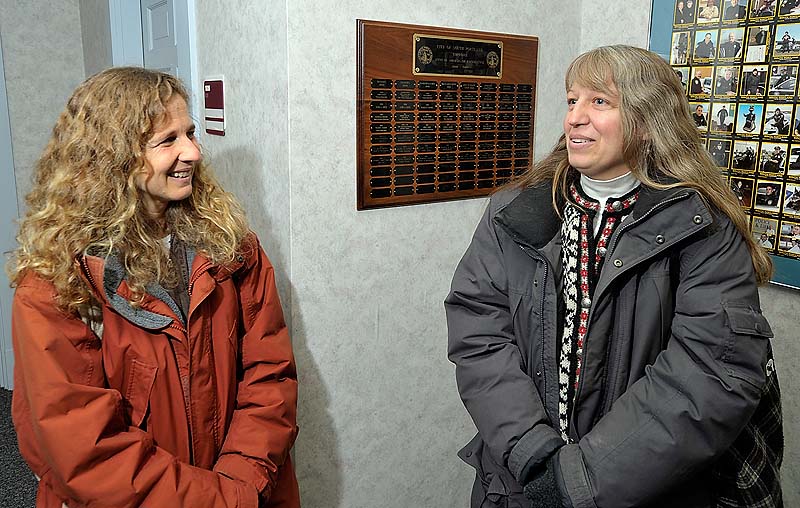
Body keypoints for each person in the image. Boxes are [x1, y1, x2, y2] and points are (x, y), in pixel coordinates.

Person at [446, 45, 782, 508]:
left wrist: (579, 481)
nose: (574, 118)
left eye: (599, 101)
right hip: (520, 484)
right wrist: (532, 454)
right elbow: (479, 332)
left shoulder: (702, 228)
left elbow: (710, 373)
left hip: (646, 492)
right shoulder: (513, 213)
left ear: (647, 120)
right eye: (571, 101)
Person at [8, 67, 300, 507]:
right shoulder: (57, 286)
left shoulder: (232, 246)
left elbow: (270, 375)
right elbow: (86, 451)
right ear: (113, 158)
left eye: (190, 133)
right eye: (167, 141)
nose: (193, 152)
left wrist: (240, 486)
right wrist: (221, 501)